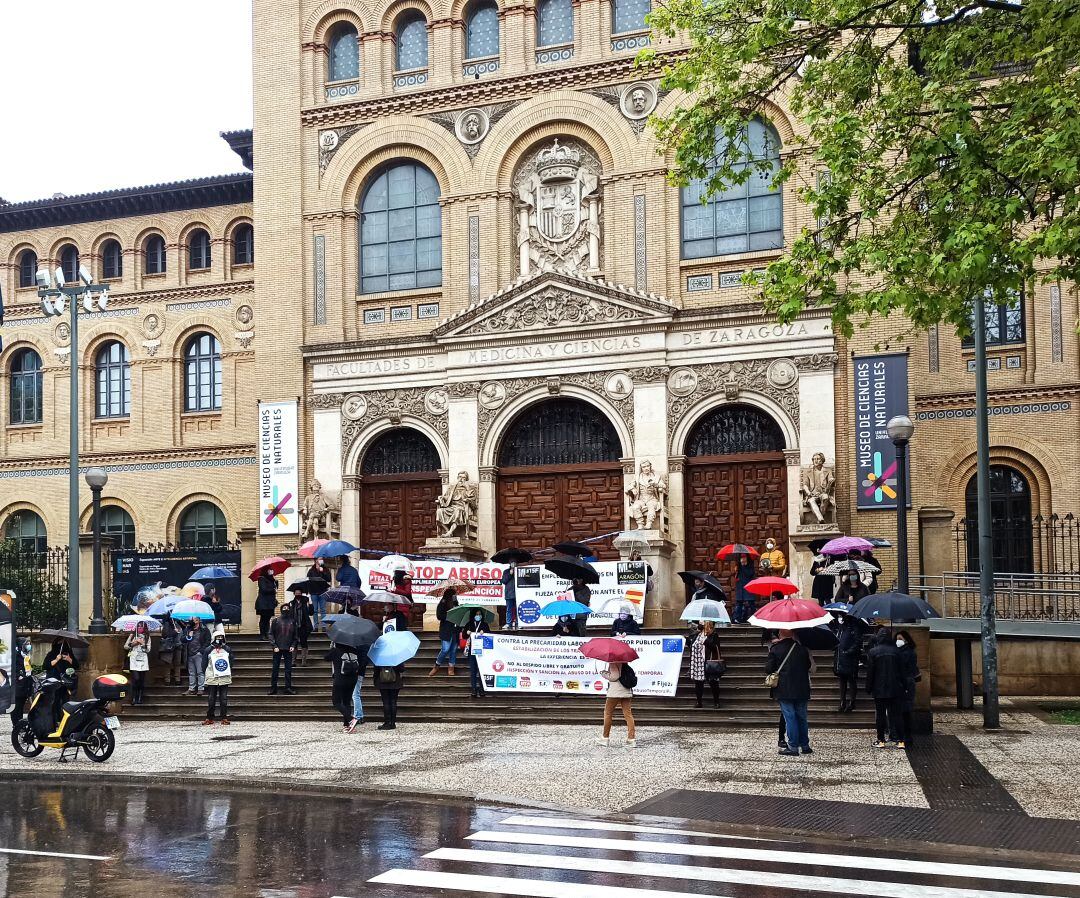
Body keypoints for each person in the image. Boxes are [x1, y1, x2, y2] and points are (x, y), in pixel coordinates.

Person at [766, 629, 814, 756]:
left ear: (780, 634)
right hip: (802, 688)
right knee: (802, 717)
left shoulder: (775, 649)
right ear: (793, 634)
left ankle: (793, 746)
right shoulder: (802, 649)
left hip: (784, 688)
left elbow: (768, 669)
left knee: (790, 717)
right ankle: (805, 745)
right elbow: (808, 665)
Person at [866, 628, 906, 747]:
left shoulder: (873, 652)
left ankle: (881, 740)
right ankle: (901, 741)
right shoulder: (897, 652)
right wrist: (904, 686)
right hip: (895, 688)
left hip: (879, 689)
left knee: (881, 715)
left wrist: (868, 688)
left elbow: (870, 673)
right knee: (897, 715)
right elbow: (902, 671)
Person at [326, 640, 362, 732]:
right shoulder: (355, 650)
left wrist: (332, 648)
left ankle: (351, 720)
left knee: (336, 701)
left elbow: (326, 658)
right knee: (347, 701)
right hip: (352, 679)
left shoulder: (336, 650)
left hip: (340, 679)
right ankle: (346, 725)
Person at [598, 661, 636, 747]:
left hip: (615, 692)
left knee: (608, 713)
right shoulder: (624, 662)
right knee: (628, 714)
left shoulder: (614, 662)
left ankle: (605, 738)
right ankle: (631, 739)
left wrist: (604, 674)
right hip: (626, 691)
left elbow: (615, 676)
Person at [42, 639, 79, 724]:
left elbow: (76, 666)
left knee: (65, 702)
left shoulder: (69, 654)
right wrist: (56, 659)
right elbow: (45, 666)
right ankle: (54, 720)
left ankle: (65, 720)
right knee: (54, 702)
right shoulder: (51, 654)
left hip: (66, 683)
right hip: (54, 682)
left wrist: (69, 659)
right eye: (60, 644)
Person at [689, 620, 724, 708]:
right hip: (698, 662)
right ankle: (699, 702)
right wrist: (687, 641)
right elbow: (692, 646)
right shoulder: (697, 634)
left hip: (709, 662)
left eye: (703, 623)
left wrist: (705, 641)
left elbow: (715, 648)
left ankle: (716, 702)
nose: (700, 624)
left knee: (713, 683)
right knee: (698, 683)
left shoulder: (714, 635)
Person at [203, 627, 233, 725]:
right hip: (212, 678)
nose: (219, 639)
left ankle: (224, 717)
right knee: (211, 699)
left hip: (224, 678)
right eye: (217, 637)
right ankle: (209, 717)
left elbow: (231, 662)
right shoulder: (208, 650)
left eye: (221, 637)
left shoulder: (227, 649)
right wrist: (208, 674)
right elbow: (204, 664)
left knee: (223, 699)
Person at [834, 612, 863, 712]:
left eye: (841, 616)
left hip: (850, 658)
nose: (839, 618)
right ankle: (842, 702)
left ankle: (852, 702)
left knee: (851, 680)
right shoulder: (840, 628)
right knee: (842, 681)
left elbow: (857, 642)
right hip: (840, 658)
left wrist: (849, 652)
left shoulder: (853, 628)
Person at [268, 601, 299, 695]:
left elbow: (295, 636)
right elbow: (271, 634)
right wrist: (274, 645)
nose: (286, 610)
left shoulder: (293, 621)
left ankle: (288, 687)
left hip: (288, 648)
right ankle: (273, 688)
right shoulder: (276, 620)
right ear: (281, 610)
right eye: (284, 608)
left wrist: (293, 645)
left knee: (288, 669)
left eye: (287, 608)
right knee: (275, 669)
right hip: (277, 648)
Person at [897, 630, 920, 746]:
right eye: (897, 638)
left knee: (905, 711)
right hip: (907, 682)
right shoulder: (906, 651)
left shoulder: (906, 653)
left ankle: (906, 736)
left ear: (905, 639)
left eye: (900, 638)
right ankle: (906, 735)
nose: (898, 641)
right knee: (905, 710)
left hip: (906, 683)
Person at [461, 611, 491, 698]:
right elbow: (463, 636)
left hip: (482, 651)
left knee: (481, 670)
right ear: (473, 616)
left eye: (479, 614)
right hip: (472, 651)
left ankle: (482, 689)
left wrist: (484, 632)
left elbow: (490, 636)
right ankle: (473, 689)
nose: (478, 616)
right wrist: (467, 632)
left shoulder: (484, 624)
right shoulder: (469, 624)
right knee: (473, 671)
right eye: (476, 614)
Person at [431, 589, 459, 676]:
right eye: (453, 595)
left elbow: (459, 614)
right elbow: (439, 616)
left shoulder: (455, 603)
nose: (454, 597)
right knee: (445, 649)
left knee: (453, 650)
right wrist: (449, 616)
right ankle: (437, 665)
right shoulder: (442, 603)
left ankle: (451, 667)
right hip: (446, 630)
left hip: (455, 630)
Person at [124, 622, 151, 706]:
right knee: (136, 679)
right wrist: (133, 643)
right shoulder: (132, 635)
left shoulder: (147, 637)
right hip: (134, 661)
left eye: (141, 627)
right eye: (138, 627)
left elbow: (148, 650)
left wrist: (143, 644)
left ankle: (140, 697)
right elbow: (125, 646)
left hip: (143, 661)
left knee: (141, 681)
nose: (140, 628)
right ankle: (134, 697)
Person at [182, 618, 211, 696]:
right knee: (191, 673)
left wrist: (201, 651)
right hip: (189, 654)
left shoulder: (204, 630)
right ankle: (191, 689)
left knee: (200, 672)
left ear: (199, 621)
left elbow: (208, 641)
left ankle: (201, 689)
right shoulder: (187, 629)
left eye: (195, 620)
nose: (193, 622)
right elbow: (182, 639)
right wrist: (188, 636)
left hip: (198, 654)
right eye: (192, 620)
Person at [9, 637, 33, 725]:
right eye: (26, 644)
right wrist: (20, 676)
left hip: (25, 687)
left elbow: (28, 669)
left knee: (21, 707)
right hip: (17, 688)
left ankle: (20, 725)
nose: (28, 645)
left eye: (29, 643)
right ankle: (16, 725)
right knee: (16, 708)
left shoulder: (26, 656)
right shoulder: (15, 656)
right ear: (21, 645)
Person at [373, 662, 404, 730]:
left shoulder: (380, 657)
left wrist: (375, 681)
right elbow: (402, 669)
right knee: (393, 702)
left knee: (386, 702)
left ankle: (387, 723)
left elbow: (376, 670)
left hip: (382, 682)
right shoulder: (396, 656)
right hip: (395, 682)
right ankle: (392, 723)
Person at [158, 612, 185, 686]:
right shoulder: (167, 624)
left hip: (178, 646)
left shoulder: (178, 624)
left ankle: (177, 678)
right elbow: (165, 635)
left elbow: (182, 634)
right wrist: (174, 632)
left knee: (177, 663)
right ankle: (167, 679)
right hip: (169, 647)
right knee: (168, 663)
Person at [291, 586, 313, 666]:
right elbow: (290, 615)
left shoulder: (305, 602)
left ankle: (304, 661)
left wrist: (310, 601)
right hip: (294, 627)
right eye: (296, 593)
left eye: (299, 593)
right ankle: (293, 661)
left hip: (304, 626)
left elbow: (311, 612)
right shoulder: (292, 603)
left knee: (304, 643)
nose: (298, 594)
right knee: (294, 643)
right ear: (294, 594)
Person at [808, 540, 835, 605]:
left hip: (827, 581)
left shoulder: (829, 559)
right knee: (820, 601)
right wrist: (817, 570)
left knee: (828, 600)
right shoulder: (817, 560)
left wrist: (827, 568)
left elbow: (834, 569)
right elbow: (812, 572)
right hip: (819, 582)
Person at [307, 558, 331, 630]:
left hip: (323, 591)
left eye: (322, 559)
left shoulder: (325, 569)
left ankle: (324, 626)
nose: (321, 560)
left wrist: (322, 571)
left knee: (323, 609)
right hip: (314, 592)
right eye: (319, 559)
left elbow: (329, 579)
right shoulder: (311, 570)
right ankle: (316, 626)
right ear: (316, 560)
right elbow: (308, 580)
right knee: (315, 610)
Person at [732, 553, 757, 623]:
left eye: (744, 557)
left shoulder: (750, 565)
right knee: (739, 603)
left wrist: (744, 566)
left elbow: (750, 574)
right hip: (740, 586)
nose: (743, 559)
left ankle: (754, 618)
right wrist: (736, 570)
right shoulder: (738, 566)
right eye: (741, 558)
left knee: (751, 603)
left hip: (748, 586)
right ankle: (737, 618)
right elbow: (736, 576)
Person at [256, 570, 278, 641]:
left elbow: (275, 589)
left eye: (271, 570)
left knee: (268, 619)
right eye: (269, 570)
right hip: (263, 603)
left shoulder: (272, 579)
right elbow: (264, 589)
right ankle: (262, 634)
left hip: (270, 603)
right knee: (263, 619)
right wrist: (273, 590)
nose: (271, 571)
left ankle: (267, 633)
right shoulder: (261, 578)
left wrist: (276, 583)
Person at [501, 563, 517, 630]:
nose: (513, 564)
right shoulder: (506, 571)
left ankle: (518, 623)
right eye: (512, 563)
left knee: (518, 609)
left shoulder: (519, 570)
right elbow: (504, 581)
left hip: (518, 593)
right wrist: (510, 574)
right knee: (509, 609)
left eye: (514, 563)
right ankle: (508, 623)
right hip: (509, 594)